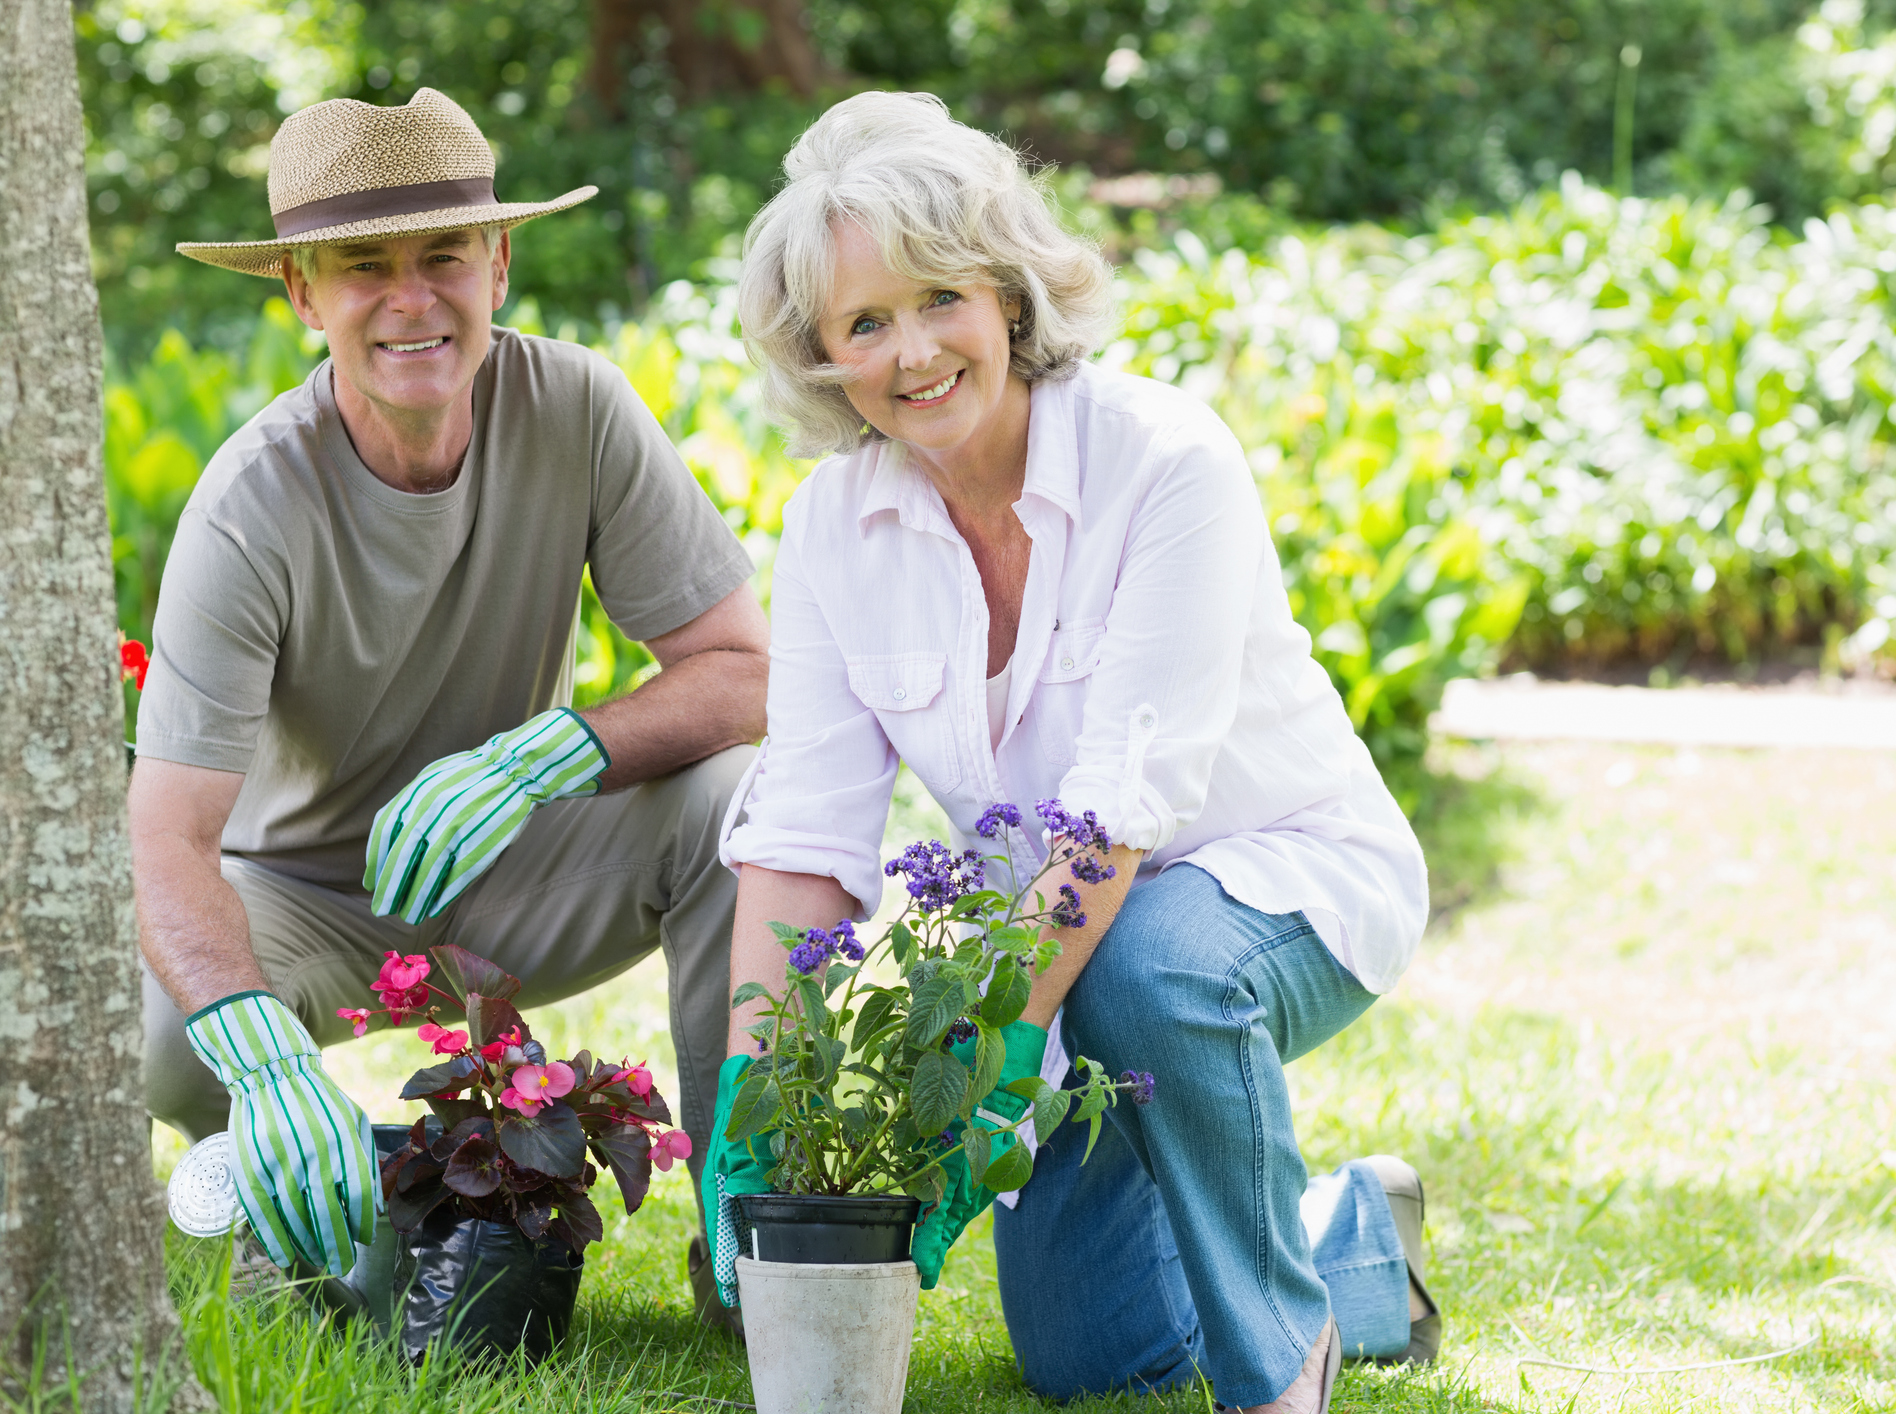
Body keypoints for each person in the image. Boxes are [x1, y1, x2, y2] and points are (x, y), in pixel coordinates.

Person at [708, 91, 1439, 1411]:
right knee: (1084, 1353)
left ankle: (1284, 1360)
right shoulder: (833, 526)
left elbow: (1122, 810)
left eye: (938, 298)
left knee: (1151, 969)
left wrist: (991, 1060)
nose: (912, 351)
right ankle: (1345, 1233)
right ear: (821, 356)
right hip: (1060, 946)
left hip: (1276, 884)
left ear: (1005, 294)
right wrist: (750, 1091)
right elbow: (805, 825)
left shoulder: (1163, 461)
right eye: (863, 324)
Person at [135, 87, 765, 1322]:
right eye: (363, 265)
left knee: (741, 810)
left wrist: (553, 752)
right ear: (302, 294)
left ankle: (748, 1231)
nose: (412, 298)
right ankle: (332, 1176)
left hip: (513, 860)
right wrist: (252, 1043)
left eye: (444, 255)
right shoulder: (250, 503)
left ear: (500, 261)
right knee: (170, 1031)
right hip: (304, 894)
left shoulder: (577, 407)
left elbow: (745, 672)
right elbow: (167, 835)